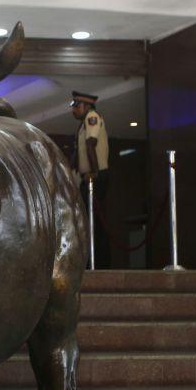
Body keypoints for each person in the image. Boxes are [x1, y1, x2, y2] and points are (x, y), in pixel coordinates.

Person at [71, 90, 111, 267]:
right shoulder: (82, 125)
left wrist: (93, 172)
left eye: (76, 106)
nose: (73, 110)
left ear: (87, 106)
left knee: (94, 223)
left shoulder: (92, 117)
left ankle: (99, 263)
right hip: (88, 179)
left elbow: (90, 144)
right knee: (88, 222)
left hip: (95, 178)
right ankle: (91, 262)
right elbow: (78, 153)